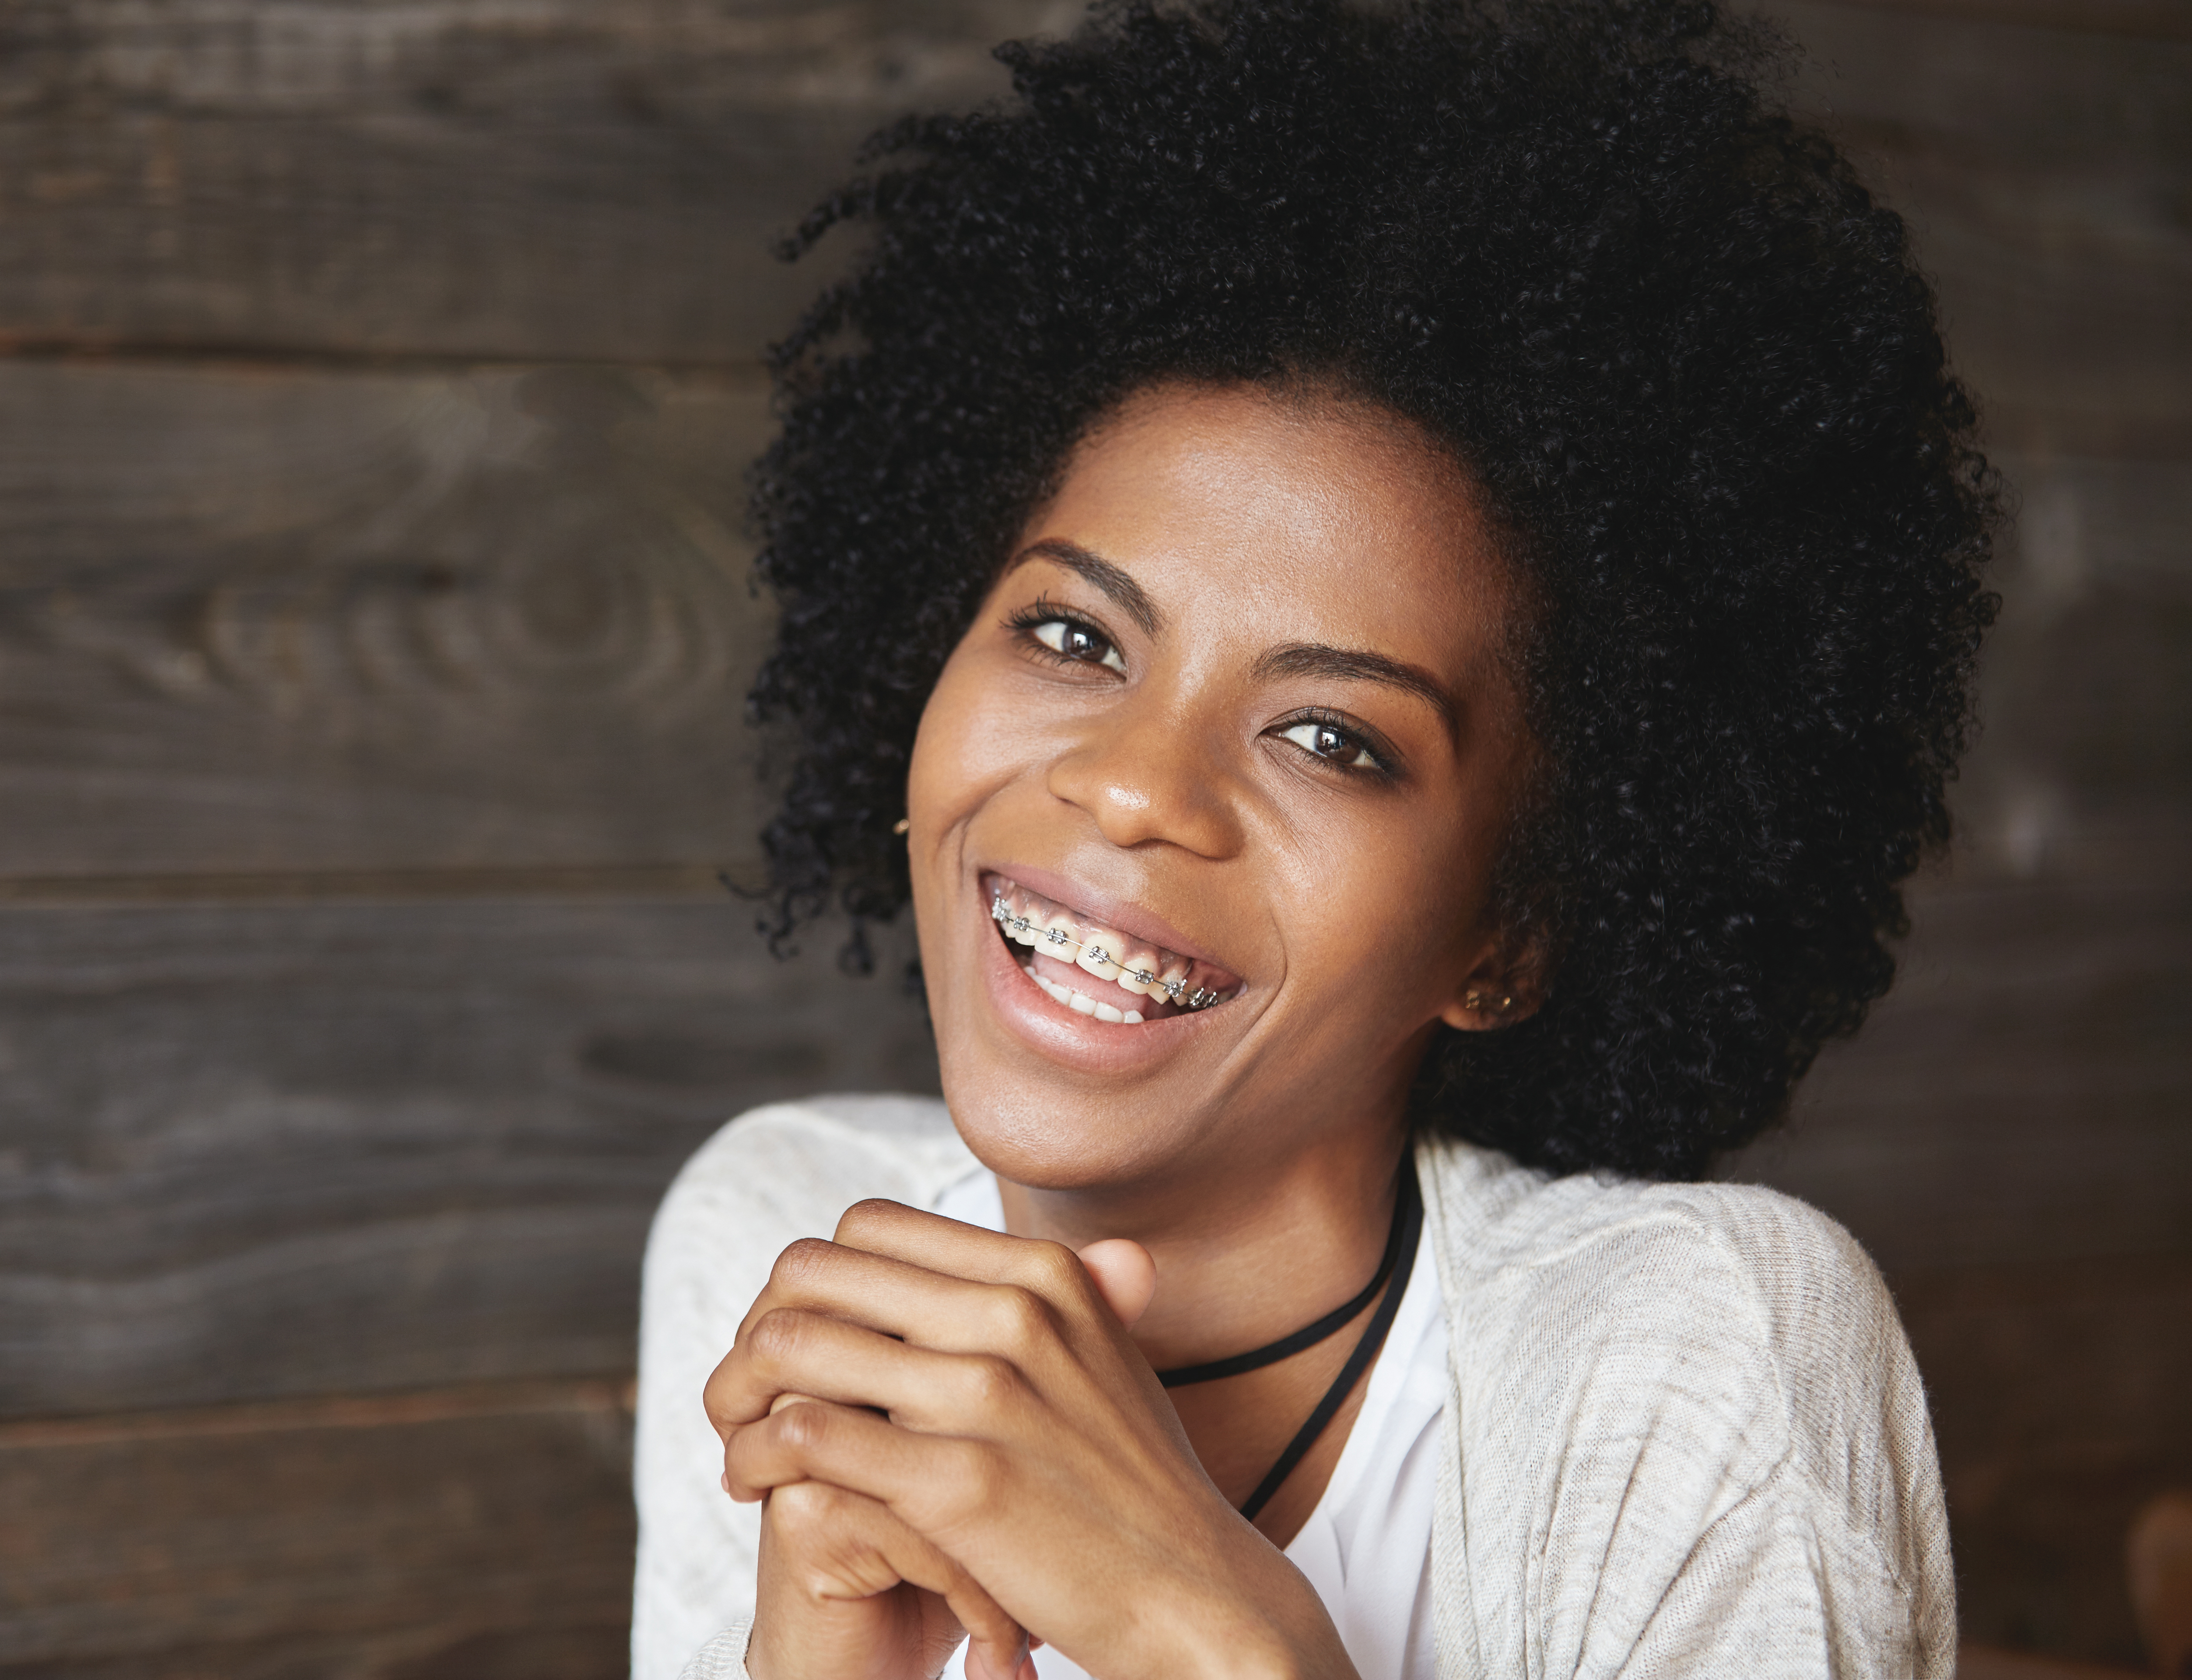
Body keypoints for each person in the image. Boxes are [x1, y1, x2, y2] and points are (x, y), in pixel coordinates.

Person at [631, 0, 1998, 1674]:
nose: (1137, 786)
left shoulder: (1701, 1358)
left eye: (1332, 739)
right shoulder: (788, 1237)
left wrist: (1207, 1634)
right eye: (1073, 638)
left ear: (1508, 938)